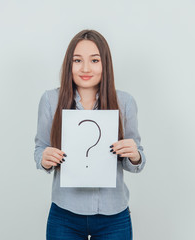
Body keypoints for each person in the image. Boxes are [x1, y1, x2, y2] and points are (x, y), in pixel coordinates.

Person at [34, 29, 146, 240]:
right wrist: (45, 159)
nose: (85, 68)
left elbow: (137, 160)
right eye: (78, 60)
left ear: (105, 64)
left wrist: (134, 154)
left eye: (94, 60)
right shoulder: (50, 100)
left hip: (114, 216)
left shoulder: (125, 103)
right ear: (69, 64)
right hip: (65, 214)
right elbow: (40, 148)